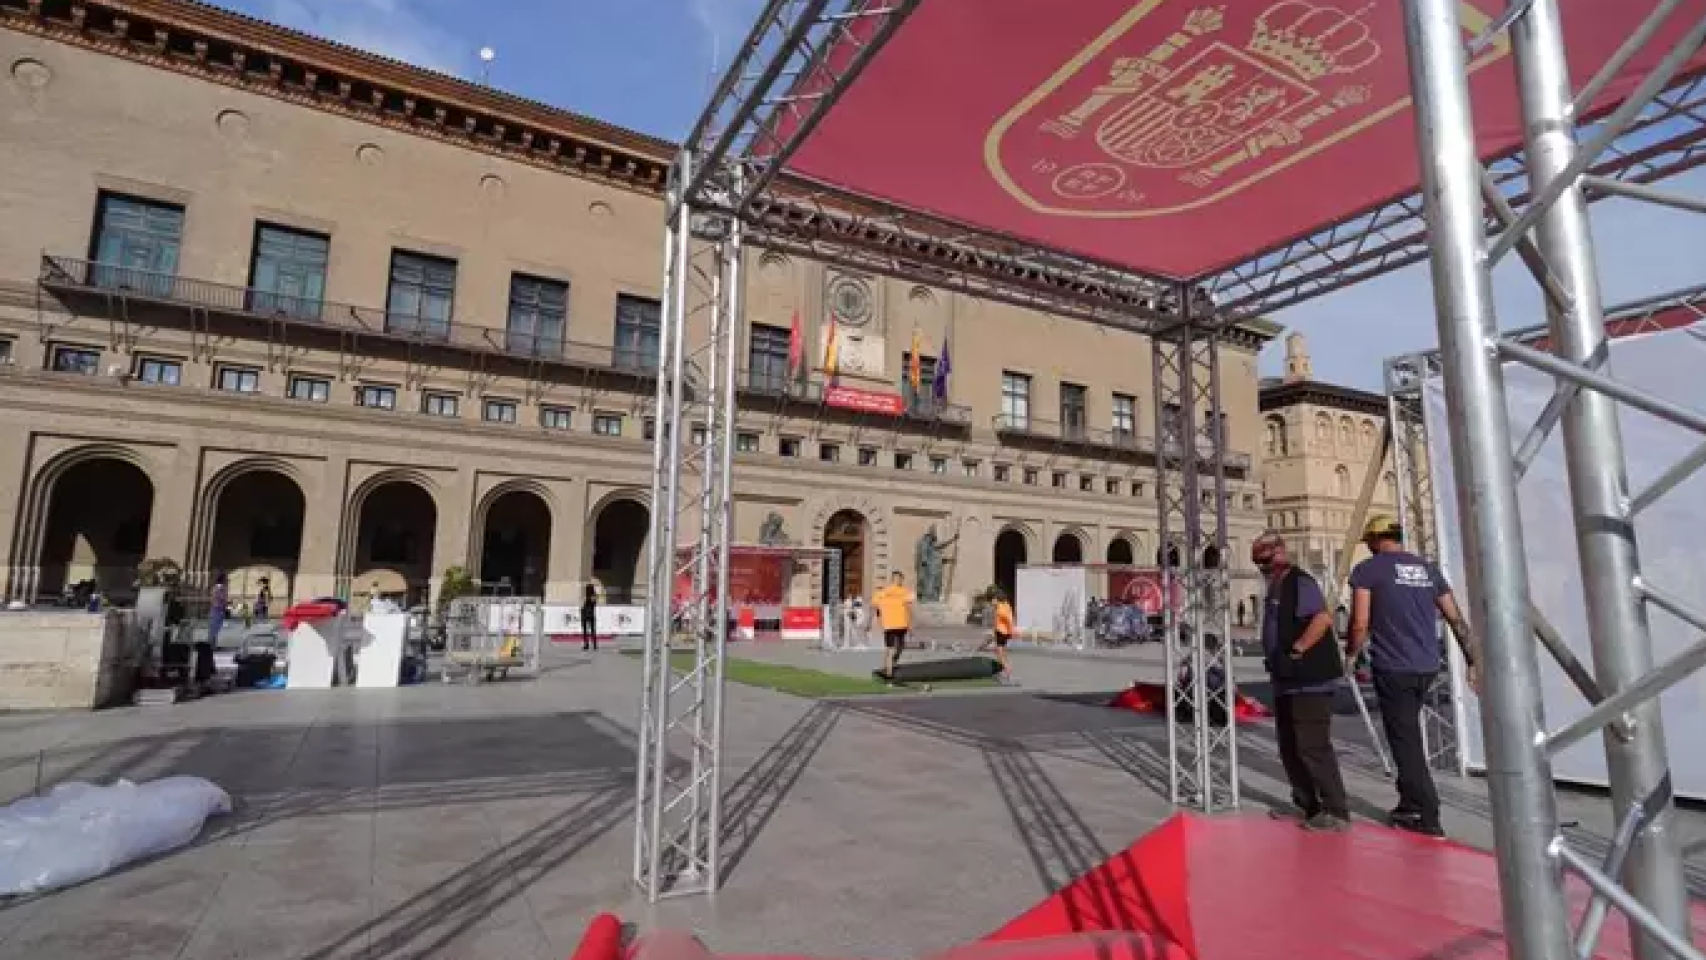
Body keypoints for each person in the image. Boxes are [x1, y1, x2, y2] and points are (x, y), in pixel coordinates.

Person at [1347, 515, 1482, 840]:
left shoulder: (1369, 570)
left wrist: (1351, 653)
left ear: (1377, 540)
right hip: (1426, 665)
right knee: (1406, 733)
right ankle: (1408, 802)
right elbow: (1455, 617)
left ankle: (1427, 813)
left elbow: (1360, 621)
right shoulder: (1427, 570)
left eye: (1369, 541)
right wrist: (1472, 659)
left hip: (1394, 666)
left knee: (1405, 741)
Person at [1253, 532, 1351, 832]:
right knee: (1290, 744)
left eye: (1267, 560)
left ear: (1282, 552)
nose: (1264, 567)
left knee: (1312, 745)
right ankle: (1306, 803)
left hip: (1309, 678)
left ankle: (1336, 811)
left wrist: (1297, 650)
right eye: (1259, 562)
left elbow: (1321, 620)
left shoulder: (1299, 581)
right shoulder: (1276, 586)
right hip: (1286, 678)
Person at [871, 571, 915, 681]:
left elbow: (909, 608)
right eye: (897, 579)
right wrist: (879, 621)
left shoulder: (904, 592)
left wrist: (909, 624)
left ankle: (889, 667)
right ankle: (889, 673)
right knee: (892, 648)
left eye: (899, 579)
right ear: (893, 579)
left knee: (898, 647)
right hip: (893, 624)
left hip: (899, 624)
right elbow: (877, 607)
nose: (898, 580)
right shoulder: (885, 592)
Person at [978, 589, 1016, 683]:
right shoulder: (1006, 605)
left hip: (1001, 632)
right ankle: (1000, 673)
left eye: (992, 600)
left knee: (1000, 655)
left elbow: (1009, 620)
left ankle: (1008, 675)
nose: (991, 602)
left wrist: (1012, 632)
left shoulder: (1001, 609)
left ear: (997, 599)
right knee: (1000, 652)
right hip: (1002, 632)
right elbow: (1009, 619)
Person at [581, 582, 599, 651]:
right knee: (592, 630)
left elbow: (584, 605)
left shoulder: (588, 596)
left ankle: (586, 644)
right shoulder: (594, 596)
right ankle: (594, 644)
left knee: (586, 630)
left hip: (586, 614)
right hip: (591, 614)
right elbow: (594, 604)